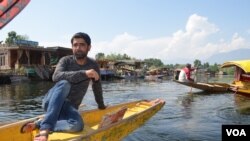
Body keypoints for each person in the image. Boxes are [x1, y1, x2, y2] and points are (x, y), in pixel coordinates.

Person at [20, 32, 106, 141]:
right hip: (52, 101)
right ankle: (44, 129)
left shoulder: (93, 65)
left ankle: (39, 123)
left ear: (89, 47)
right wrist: (84, 73)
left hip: (69, 108)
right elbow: (56, 77)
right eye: (75, 45)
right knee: (64, 83)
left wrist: (101, 105)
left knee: (77, 125)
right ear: (72, 47)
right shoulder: (65, 61)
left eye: (82, 45)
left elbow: (97, 86)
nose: (78, 48)